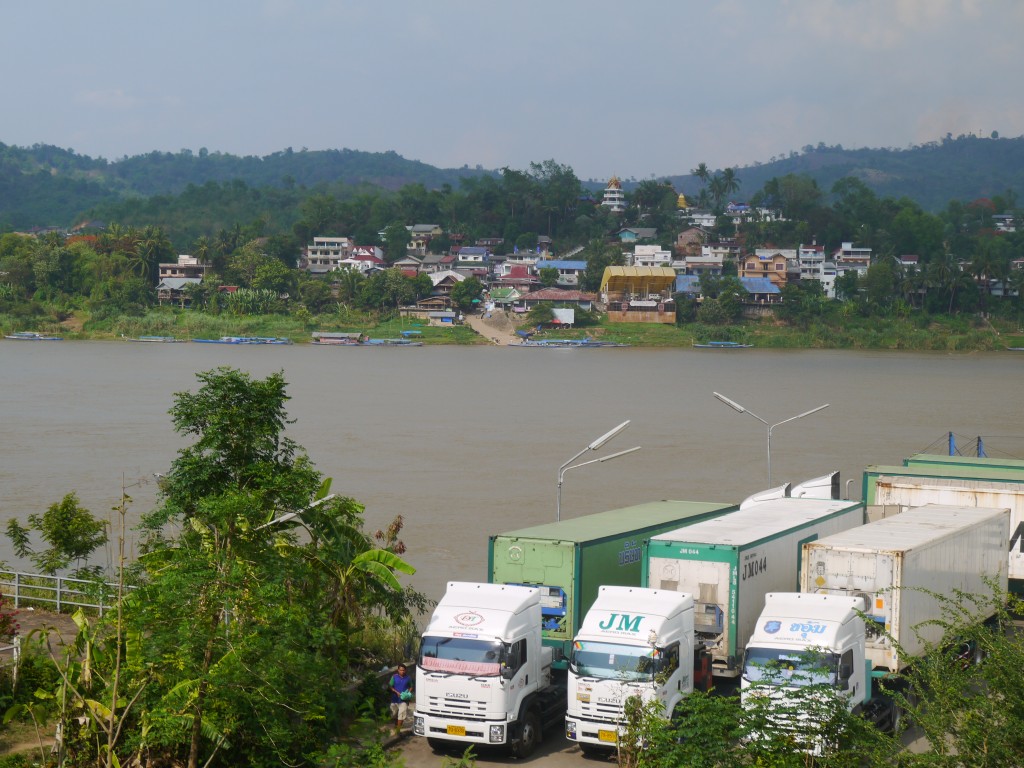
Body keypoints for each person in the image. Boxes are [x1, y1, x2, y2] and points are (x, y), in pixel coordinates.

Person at [389, 664, 413, 734]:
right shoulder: (394, 677)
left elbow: (411, 686)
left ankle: (398, 730)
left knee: (402, 714)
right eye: (401, 670)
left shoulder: (408, 678)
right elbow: (390, 686)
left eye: (403, 670)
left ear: (405, 670)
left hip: (404, 700)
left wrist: (408, 692)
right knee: (394, 714)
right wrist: (396, 692)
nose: (402, 671)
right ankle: (396, 724)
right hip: (395, 699)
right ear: (398, 670)